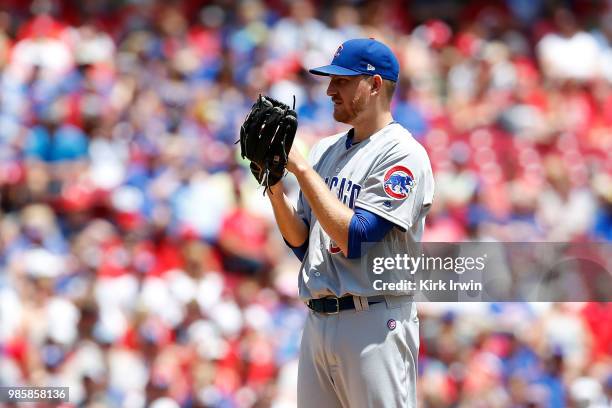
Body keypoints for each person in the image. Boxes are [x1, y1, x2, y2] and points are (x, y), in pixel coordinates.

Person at [265, 38, 434, 408]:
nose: (329, 90)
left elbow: (357, 237)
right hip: (318, 321)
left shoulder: (402, 153)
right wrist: (274, 185)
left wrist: (302, 168)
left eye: (342, 81)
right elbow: (302, 243)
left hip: (373, 322)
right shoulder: (327, 149)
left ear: (374, 85)